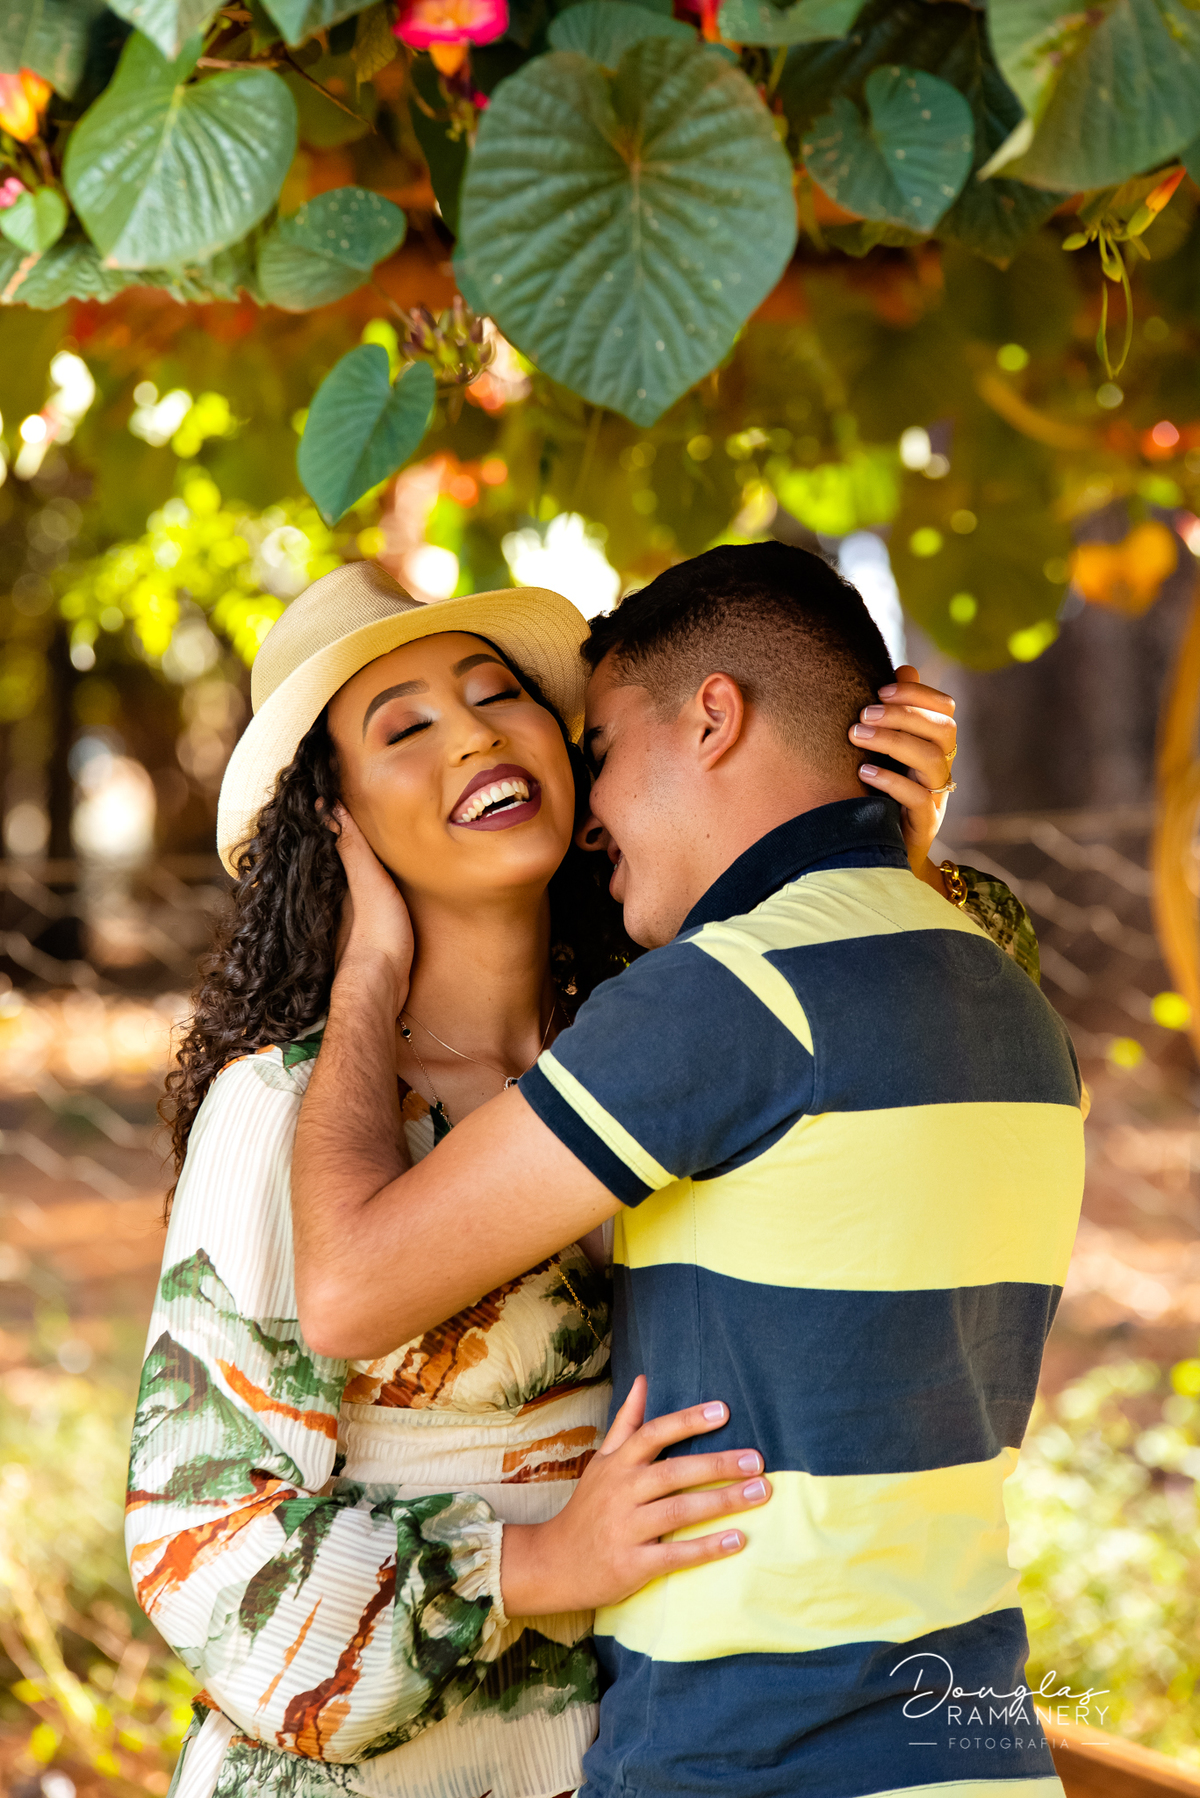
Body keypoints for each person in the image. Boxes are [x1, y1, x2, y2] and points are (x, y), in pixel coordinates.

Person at [127, 553, 1021, 1798]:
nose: (474, 736)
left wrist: (875, 852)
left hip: (631, 1760)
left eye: (497, 692)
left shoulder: (673, 1043)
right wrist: (533, 1564)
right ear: (336, 824)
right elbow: (196, 1543)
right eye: (405, 729)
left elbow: (926, 1065)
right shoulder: (286, 1111)